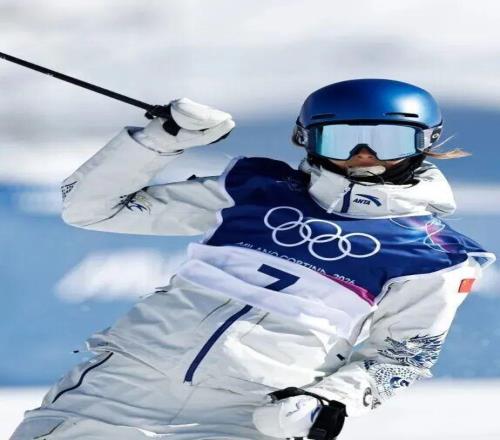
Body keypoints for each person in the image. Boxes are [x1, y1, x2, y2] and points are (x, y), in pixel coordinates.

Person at [11, 79, 495, 440]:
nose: (363, 155)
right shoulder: (256, 189)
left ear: (426, 143)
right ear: (306, 139)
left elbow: (401, 355)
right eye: (341, 139)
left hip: (245, 416)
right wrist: (160, 139)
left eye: (387, 141)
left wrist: (329, 401)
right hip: (115, 392)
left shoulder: (436, 256)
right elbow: (91, 208)